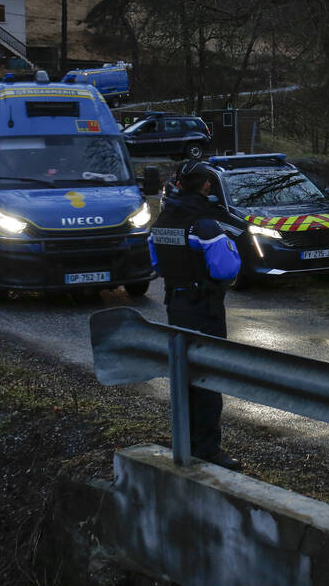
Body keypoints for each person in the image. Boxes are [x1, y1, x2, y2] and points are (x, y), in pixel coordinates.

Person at [148, 160, 244, 469]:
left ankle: (185, 442)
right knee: (208, 376)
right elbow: (226, 268)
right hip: (206, 308)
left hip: (176, 305)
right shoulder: (205, 224)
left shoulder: (162, 221)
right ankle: (209, 450)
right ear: (206, 186)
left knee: (183, 374)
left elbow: (157, 264)